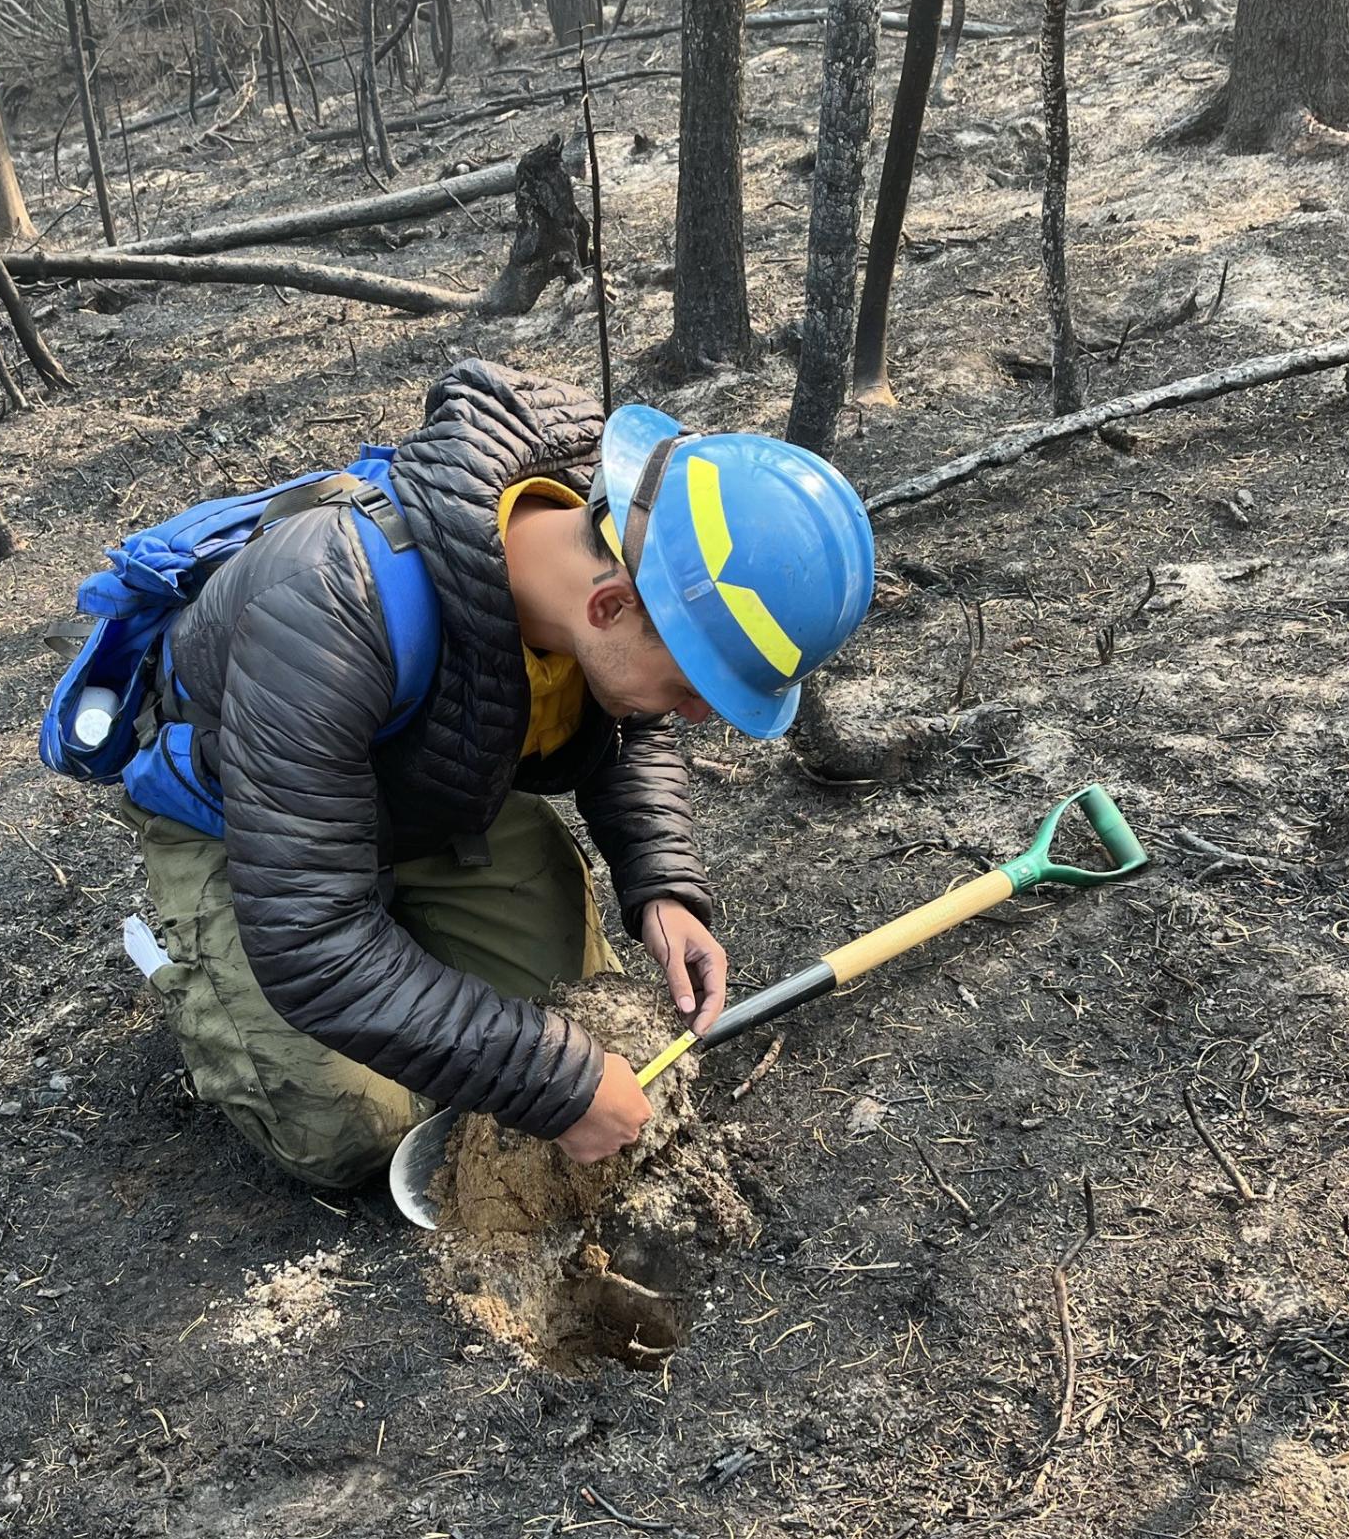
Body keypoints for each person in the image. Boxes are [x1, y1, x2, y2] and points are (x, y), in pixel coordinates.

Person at [126, 360, 875, 1188]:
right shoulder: (326, 604)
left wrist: (661, 883)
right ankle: (190, 956)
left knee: (596, 1025)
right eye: (694, 688)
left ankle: (405, 936)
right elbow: (311, 942)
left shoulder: (618, 541)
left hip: (435, 789)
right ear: (609, 607)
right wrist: (552, 1085)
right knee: (353, 1131)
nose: (696, 717)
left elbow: (632, 725)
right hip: (249, 834)